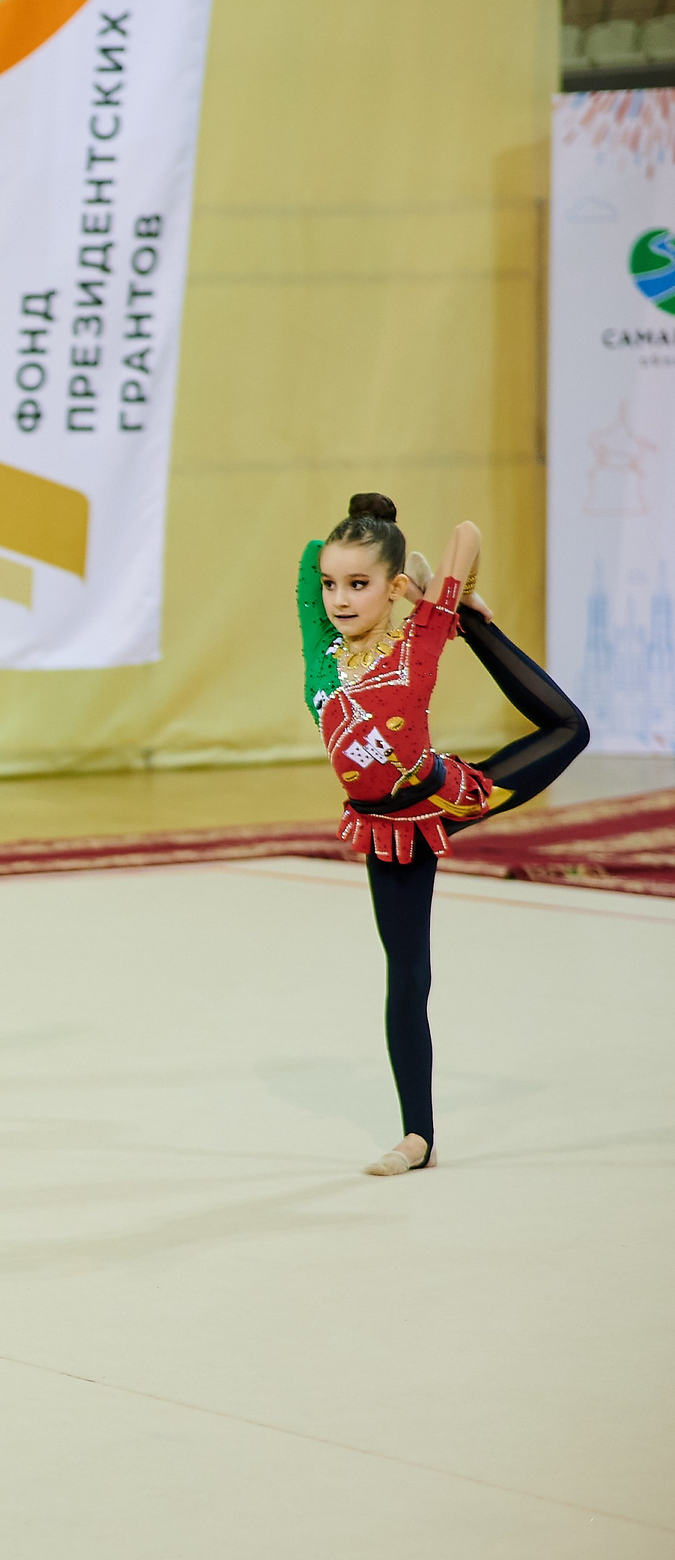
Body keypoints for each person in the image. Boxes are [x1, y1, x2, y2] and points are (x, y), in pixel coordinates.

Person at [298, 493, 590, 1175]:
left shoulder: (418, 640)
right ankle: (418, 1139)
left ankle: (480, 628)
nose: (340, 598)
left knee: (570, 730)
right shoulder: (322, 656)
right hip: (382, 828)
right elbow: (308, 567)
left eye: (359, 584)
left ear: (393, 588)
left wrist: (445, 602)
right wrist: (361, 529)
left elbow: (466, 530)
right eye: (333, 586)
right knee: (405, 975)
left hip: (444, 802)